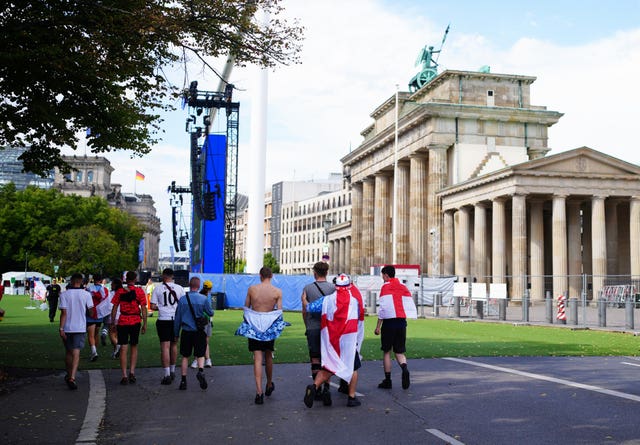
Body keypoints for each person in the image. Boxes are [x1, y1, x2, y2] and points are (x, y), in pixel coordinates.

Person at [303, 273, 364, 408]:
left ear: (336, 286)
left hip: (331, 341)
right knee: (353, 367)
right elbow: (359, 316)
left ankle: (314, 386)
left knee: (329, 366)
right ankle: (351, 397)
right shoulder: (354, 301)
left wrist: (304, 300)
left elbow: (309, 308)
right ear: (348, 286)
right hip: (347, 340)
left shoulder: (327, 300)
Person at [236, 266, 284, 405]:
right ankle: (269, 384)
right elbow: (279, 311)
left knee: (257, 357)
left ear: (260, 275)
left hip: (255, 325)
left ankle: (259, 392)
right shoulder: (277, 291)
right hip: (269, 325)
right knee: (268, 355)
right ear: (272, 276)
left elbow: (246, 307)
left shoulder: (252, 289)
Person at [374, 265, 417, 390]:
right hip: (401, 323)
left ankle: (387, 380)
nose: (382, 277)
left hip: (389, 323)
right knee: (399, 351)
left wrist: (378, 327)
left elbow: (384, 309)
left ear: (386, 275)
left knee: (387, 351)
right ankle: (404, 368)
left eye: (383, 275)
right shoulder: (403, 287)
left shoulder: (385, 287)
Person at [301, 261, 335, 405]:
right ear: (327, 273)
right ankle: (327, 387)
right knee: (327, 359)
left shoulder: (307, 289)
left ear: (314, 272)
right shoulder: (333, 289)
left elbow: (304, 310)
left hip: (313, 327)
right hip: (328, 328)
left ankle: (318, 389)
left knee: (315, 359)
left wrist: (307, 325)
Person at [174, 276, 213, 390]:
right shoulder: (203, 299)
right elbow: (210, 313)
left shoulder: (182, 299)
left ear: (190, 285)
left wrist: (176, 334)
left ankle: (183, 380)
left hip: (186, 331)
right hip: (199, 331)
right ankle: (200, 371)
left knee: (185, 356)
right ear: (199, 285)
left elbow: (178, 319)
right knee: (200, 354)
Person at [110, 271, 147, 385]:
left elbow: (114, 308)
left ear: (126, 279)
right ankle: (132, 372)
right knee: (134, 347)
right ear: (135, 279)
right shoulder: (139, 291)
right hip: (135, 321)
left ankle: (124, 375)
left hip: (123, 321)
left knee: (123, 348)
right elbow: (144, 308)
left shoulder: (120, 291)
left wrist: (112, 323)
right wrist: (145, 323)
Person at [58, 273, 94, 390]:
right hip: (80, 326)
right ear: (81, 281)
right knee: (76, 352)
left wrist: (61, 328)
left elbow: (64, 313)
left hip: (68, 327)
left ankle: (68, 374)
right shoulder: (86, 294)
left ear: (72, 281)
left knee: (68, 352)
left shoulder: (64, 294)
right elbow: (91, 311)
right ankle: (73, 377)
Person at [150, 268, 185, 385]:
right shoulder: (180, 288)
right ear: (172, 276)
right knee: (174, 345)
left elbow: (153, 306)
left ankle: (167, 374)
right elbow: (182, 305)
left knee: (165, 347)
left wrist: (161, 308)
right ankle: (173, 370)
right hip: (175, 319)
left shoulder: (158, 288)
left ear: (164, 276)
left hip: (163, 319)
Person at [191, 279, 214, 369]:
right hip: (204, 321)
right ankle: (200, 360)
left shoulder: (201, 295)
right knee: (203, 341)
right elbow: (210, 312)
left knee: (203, 341)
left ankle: (204, 360)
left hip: (203, 321)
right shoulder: (204, 297)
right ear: (210, 288)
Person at [86, 274, 109, 361]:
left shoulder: (89, 289)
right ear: (101, 280)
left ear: (93, 279)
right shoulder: (105, 290)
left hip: (90, 313)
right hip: (100, 314)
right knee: (96, 333)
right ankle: (95, 350)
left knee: (90, 335)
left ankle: (94, 352)